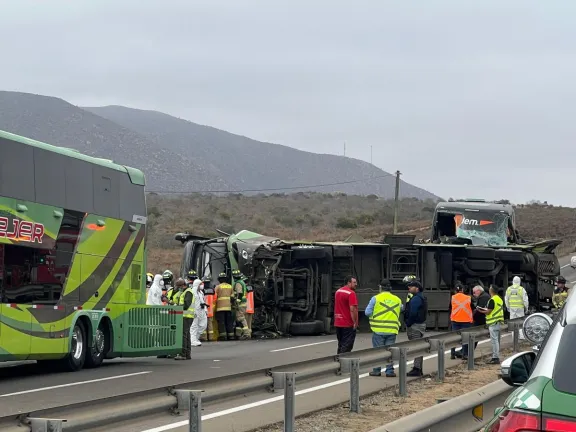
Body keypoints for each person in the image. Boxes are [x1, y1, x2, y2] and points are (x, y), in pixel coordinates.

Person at [366, 279, 402, 377]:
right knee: (390, 351)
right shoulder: (397, 299)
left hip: (378, 330)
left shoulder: (375, 298)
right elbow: (402, 308)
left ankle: (377, 371)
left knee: (378, 351)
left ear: (380, 287)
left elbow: (367, 312)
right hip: (391, 330)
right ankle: (389, 372)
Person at [404, 279, 427, 376]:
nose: (409, 287)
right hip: (419, 325)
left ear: (417, 288)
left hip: (415, 326)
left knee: (416, 347)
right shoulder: (421, 297)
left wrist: (408, 322)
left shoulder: (416, 299)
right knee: (418, 346)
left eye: (411, 286)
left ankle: (417, 369)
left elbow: (413, 313)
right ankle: (418, 368)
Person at [476, 285, 504, 364]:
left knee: (494, 341)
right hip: (497, 322)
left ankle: (495, 357)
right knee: (496, 341)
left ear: (491, 291)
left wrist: (480, 311)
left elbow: (489, 311)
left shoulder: (492, 300)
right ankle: (495, 357)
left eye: (490, 288)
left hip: (493, 322)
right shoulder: (499, 299)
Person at [334, 275, 359, 354]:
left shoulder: (338, 291)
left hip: (338, 322)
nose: (356, 284)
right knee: (347, 346)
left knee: (341, 344)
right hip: (347, 324)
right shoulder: (351, 293)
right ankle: (343, 363)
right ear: (349, 283)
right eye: (354, 282)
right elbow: (353, 310)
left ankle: (338, 361)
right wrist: (355, 322)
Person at [449, 284, 474, 360]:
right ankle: (465, 354)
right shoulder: (468, 298)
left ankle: (452, 354)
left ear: (455, 291)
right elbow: (473, 307)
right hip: (466, 320)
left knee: (454, 337)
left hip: (455, 320)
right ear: (462, 290)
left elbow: (450, 308)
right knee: (465, 338)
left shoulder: (453, 298)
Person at [175, 278, 194, 360]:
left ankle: (183, 354)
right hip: (186, 316)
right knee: (186, 335)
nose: (179, 288)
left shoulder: (188, 292)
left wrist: (178, 307)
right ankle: (187, 354)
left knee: (183, 335)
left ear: (183, 285)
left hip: (187, 316)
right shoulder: (185, 292)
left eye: (179, 286)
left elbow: (186, 305)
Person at [215, 272, 236, 341]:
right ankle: (231, 335)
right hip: (228, 308)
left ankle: (223, 336)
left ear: (219, 279)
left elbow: (214, 297)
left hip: (220, 308)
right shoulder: (230, 286)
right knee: (229, 322)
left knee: (222, 322)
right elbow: (233, 297)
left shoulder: (218, 287)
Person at [232, 269, 250, 340]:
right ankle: (238, 334)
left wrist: (237, 301)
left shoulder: (238, 283)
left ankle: (246, 334)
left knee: (241, 318)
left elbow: (239, 293)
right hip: (243, 303)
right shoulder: (242, 282)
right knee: (238, 319)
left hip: (241, 303)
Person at [190, 278, 208, 347]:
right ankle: (192, 340)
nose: (202, 285)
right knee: (194, 326)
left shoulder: (201, 292)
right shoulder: (192, 292)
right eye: (200, 284)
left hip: (201, 311)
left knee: (203, 325)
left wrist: (205, 309)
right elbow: (192, 303)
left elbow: (203, 301)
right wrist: (193, 311)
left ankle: (195, 338)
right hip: (195, 311)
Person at [201, 276, 217, 342]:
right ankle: (211, 337)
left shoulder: (202, 290)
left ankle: (204, 337)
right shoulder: (212, 290)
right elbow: (215, 299)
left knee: (203, 323)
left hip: (203, 309)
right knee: (210, 323)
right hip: (210, 309)